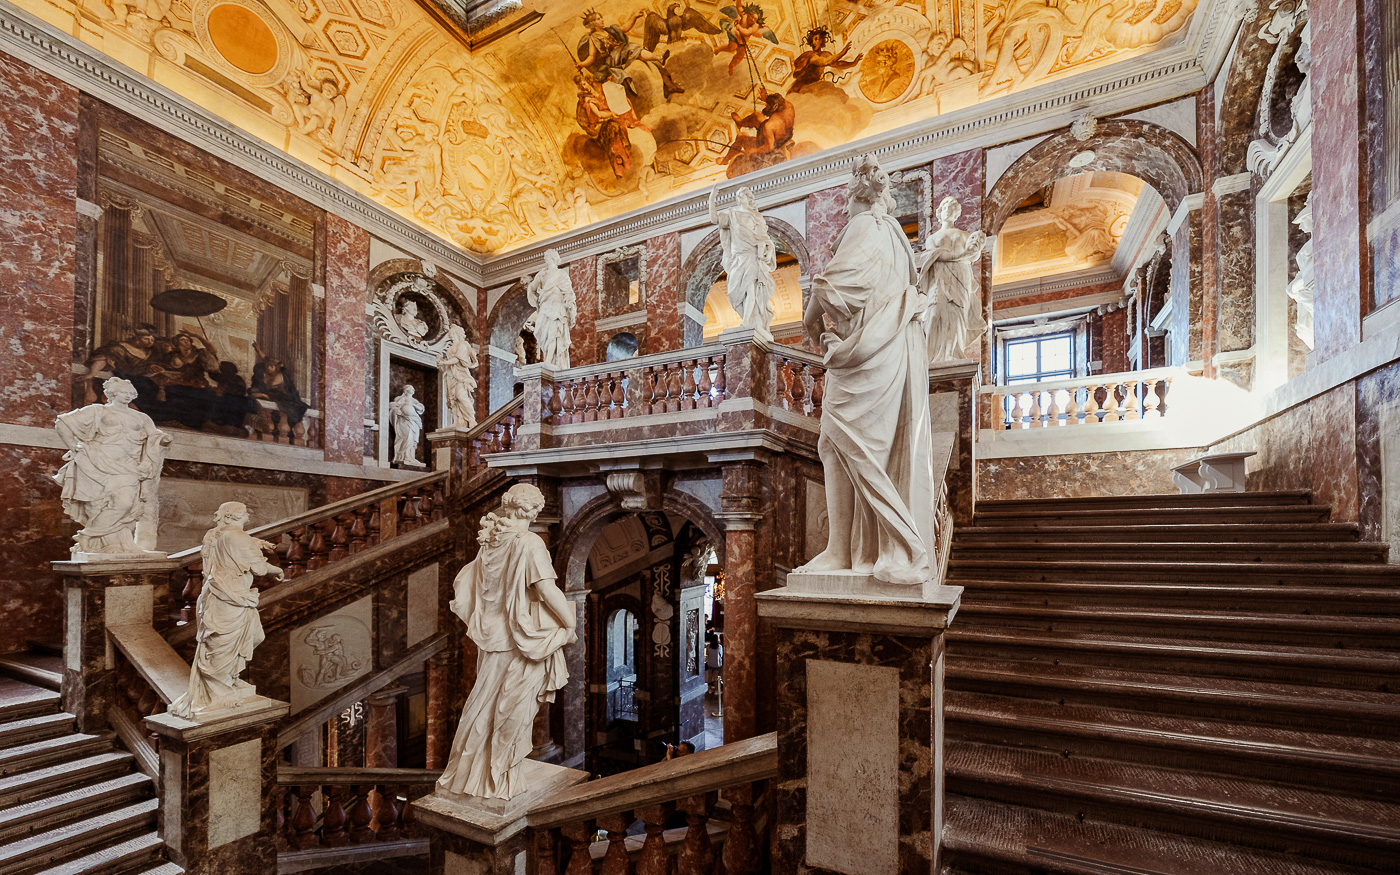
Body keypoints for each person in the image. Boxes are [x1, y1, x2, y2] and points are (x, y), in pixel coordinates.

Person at [795, 154, 936, 587]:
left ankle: (848, 550)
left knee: (841, 445)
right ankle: (849, 549)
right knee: (856, 449)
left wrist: (809, 319)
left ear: (856, 196)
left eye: (845, 196)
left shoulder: (865, 225)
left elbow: (840, 283)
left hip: (865, 354)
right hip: (886, 350)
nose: (842, 205)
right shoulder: (895, 236)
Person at [438, 484, 577, 799]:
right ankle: (496, 775)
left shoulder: (491, 538)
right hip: (518, 640)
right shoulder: (528, 542)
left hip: (492, 635)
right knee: (511, 707)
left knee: (484, 703)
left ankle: (471, 773)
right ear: (534, 510)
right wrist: (570, 622)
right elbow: (546, 589)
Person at [169, 502, 283, 718]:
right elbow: (259, 568)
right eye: (245, 512)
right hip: (230, 598)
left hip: (221, 595)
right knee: (223, 643)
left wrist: (255, 543)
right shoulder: (239, 538)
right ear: (234, 516)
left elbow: (228, 548)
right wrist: (278, 570)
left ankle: (230, 675)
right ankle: (219, 690)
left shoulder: (215, 534)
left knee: (252, 636)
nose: (248, 515)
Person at [53, 376, 172, 556]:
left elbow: (154, 436)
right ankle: (107, 544)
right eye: (123, 392)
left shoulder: (141, 417)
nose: (127, 395)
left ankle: (87, 535)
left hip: (129, 466)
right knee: (99, 504)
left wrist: (164, 440)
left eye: (130, 392)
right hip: (97, 461)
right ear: (112, 393)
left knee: (125, 503)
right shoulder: (98, 410)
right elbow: (62, 423)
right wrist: (74, 447)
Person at [920, 196, 988, 364]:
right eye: (945, 208)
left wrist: (974, 249)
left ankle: (952, 353)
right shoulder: (932, 238)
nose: (948, 211)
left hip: (960, 276)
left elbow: (973, 255)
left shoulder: (965, 235)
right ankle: (928, 355)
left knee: (956, 315)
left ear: (956, 213)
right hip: (939, 277)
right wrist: (961, 255)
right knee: (934, 313)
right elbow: (936, 256)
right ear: (940, 212)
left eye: (952, 208)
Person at [709, 185, 777, 342]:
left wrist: (766, 248)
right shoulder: (732, 214)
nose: (739, 198)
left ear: (749, 198)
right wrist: (712, 199)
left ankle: (747, 322)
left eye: (742, 195)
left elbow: (764, 238)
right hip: (737, 257)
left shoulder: (756, 216)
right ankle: (749, 319)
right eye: (737, 196)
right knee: (733, 293)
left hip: (752, 254)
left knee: (750, 286)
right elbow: (714, 219)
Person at [523, 249, 578, 370]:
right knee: (542, 331)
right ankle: (548, 357)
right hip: (545, 305)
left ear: (553, 258)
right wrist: (532, 283)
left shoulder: (561, 274)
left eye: (547, 256)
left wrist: (570, 305)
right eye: (545, 257)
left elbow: (568, 291)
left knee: (554, 333)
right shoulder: (542, 274)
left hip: (557, 306)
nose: (545, 259)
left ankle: (549, 360)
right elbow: (533, 288)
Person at [438, 324, 479, 429]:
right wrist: (441, 363)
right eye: (450, 334)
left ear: (458, 333)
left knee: (461, 396)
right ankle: (459, 421)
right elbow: (450, 364)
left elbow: (457, 359)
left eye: (453, 333)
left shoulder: (463, 345)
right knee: (454, 399)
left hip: (461, 374)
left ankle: (471, 419)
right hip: (451, 375)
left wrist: (444, 362)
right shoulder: (450, 348)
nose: (451, 335)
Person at [389, 386, 425, 467]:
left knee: (412, 438)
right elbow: (392, 407)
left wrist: (413, 405)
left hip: (413, 421)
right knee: (406, 437)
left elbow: (421, 409)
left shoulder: (414, 401)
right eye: (411, 388)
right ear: (405, 390)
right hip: (403, 421)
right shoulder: (399, 399)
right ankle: (402, 456)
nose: (413, 390)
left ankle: (410, 457)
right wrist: (399, 411)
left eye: (413, 389)